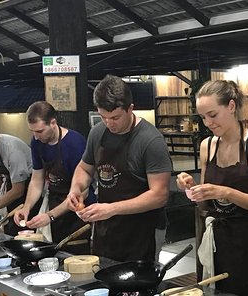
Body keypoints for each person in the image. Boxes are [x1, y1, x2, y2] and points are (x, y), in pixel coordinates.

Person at [176, 80, 248, 296]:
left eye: (213, 115)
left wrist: (226, 192)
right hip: (212, 240)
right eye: (203, 117)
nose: (208, 123)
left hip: (244, 243)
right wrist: (191, 188)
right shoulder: (208, 146)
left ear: (231, 106)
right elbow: (204, 202)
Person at [67, 75, 172, 262]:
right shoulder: (97, 133)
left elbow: (159, 195)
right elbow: (84, 168)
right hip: (106, 228)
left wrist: (112, 209)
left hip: (142, 230)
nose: (109, 123)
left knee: (138, 285)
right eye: (103, 117)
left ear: (130, 108)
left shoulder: (150, 140)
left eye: (115, 117)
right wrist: (76, 189)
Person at [14, 101, 95, 253]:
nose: (36, 137)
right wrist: (27, 207)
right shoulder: (37, 142)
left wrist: (50, 216)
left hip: (80, 211)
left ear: (53, 123)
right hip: (55, 203)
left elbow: (81, 191)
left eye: (39, 131)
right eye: (32, 131)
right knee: (56, 254)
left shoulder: (75, 143)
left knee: (76, 256)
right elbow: (37, 179)